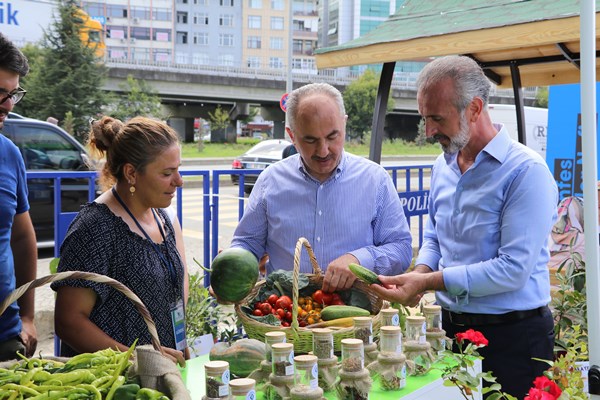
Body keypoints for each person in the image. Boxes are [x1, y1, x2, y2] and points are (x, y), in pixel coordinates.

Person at [370, 55, 558, 398]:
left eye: (437, 118)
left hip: (514, 338)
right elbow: (435, 236)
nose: (428, 131)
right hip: (453, 332)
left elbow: (512, 270)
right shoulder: (443, 165)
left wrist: (426, 281)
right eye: (424, 118)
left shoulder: (526, 172)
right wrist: (421, 271)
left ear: (474, 108)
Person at [230, 82, 413, 293]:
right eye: (310, 140)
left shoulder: (375, 180)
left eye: (332, 136)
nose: (323, 150)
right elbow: (247, 244)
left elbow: (401, 249)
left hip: (357, 318)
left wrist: (359, 260)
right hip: (284, 315)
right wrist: (234, 266)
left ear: (344, 125)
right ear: (292, 136)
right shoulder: (269, 182)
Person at [51, 116, 188, 366]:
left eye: (178, 169)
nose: (179, 181)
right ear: (131, 173)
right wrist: (135, 358)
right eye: (167, 173)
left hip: (161, 371)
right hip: (115, 380)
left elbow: (178, 281)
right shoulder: (94, 228)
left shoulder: (164, 217)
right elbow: (68, 322)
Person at [0, 33, 38, 361]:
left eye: (13, 94)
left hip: (5, 337)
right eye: (0, 92)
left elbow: (23, 237)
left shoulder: (9, 154)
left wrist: (27, 316)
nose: (9, 105)